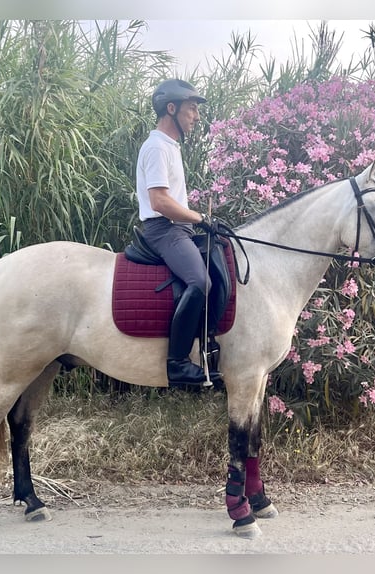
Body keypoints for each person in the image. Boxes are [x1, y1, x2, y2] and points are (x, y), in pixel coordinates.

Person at [136, 78, 219, 389]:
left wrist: (199, 219)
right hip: (164, 230)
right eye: (192, 109)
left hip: (178, 228)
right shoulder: (157, 146)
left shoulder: (169, 146)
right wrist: (199, 218)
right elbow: (159, 201)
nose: (196, 116)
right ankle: (178, 363)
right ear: (171, 109)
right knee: (200, 282)